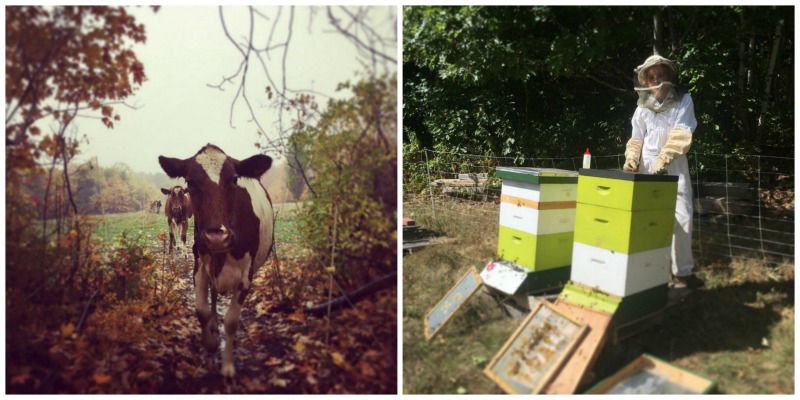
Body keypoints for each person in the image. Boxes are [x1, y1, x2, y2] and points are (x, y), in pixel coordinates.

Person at [623, 54, 704, 289]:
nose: (656, 79)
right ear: (645, 81)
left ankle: (682, 272)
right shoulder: (642, 107)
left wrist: (665, 159)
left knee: (683, 218)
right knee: (649, 220)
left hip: (674, 165)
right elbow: (636, 137)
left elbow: (681, 134)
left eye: (661, 74)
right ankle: (651, 271)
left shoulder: (683, 101)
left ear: (669, 76)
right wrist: (632, 157)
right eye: (652, 76)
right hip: (647, 168)